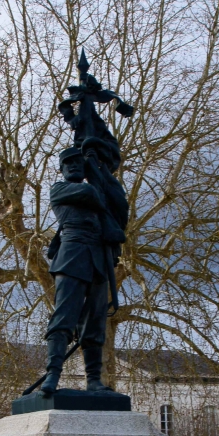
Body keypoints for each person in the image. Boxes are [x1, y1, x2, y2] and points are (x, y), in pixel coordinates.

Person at [42, 143, 128, 395]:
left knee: (95, 323)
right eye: (69, 163)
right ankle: (52, 376)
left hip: (99, 261)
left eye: (79, 163)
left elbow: (119, 207)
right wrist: (94, 170)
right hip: (72, 257)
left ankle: (93, 380)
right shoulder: (60, 189)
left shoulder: (96, 189)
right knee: (63, 317)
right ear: (62, 168)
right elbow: (91, 194)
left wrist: (100, 171)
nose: (75, 166)